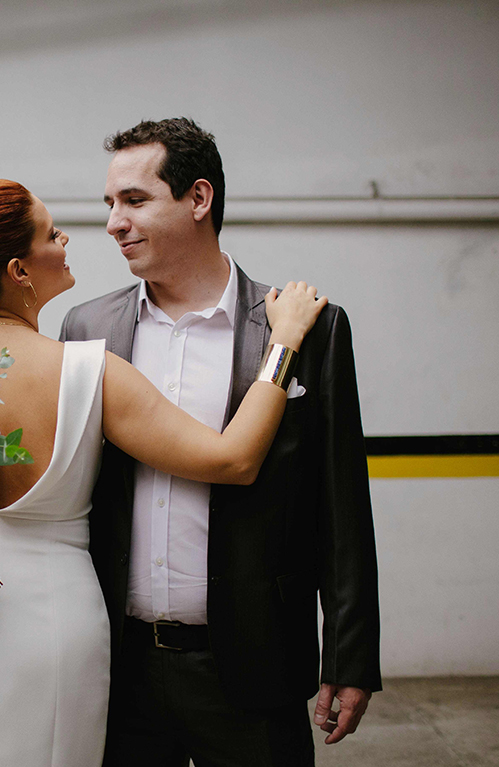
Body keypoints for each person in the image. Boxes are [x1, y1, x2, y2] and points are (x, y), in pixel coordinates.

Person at [0, 178, 327, 767]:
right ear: (19, 271)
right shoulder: (90, 372)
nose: (67, 238)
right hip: (53, 628)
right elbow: (232, 459)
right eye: (51, 233)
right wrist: (283, 341)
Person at [59, 118, 382, 766]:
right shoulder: (88, 327)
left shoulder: (305, 327)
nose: (114, 222)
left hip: (255, 666)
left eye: (134, 199)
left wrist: (351, 656)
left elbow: (340, 506)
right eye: (109, 204)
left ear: (199, 199)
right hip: (121, 672)